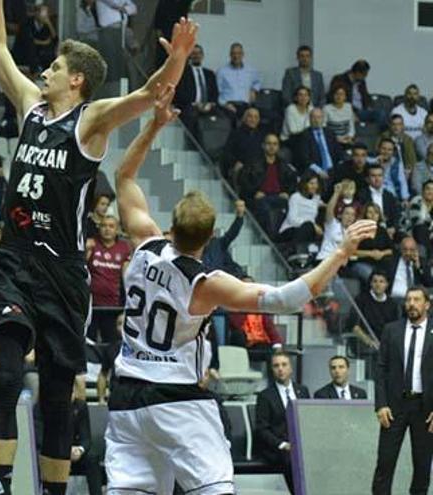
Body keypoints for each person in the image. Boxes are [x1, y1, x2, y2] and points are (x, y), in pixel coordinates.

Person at [105, 82, 375, 495]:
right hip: (177, 399)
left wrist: (155, 125)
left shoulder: (143, 244)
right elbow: (288, 298)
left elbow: (124, 176)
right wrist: (339, 253)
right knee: (215, 489)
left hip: (125, 398)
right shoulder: (206, 284)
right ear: (212, 237)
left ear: (171, 225)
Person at [0, 2, 198, 490]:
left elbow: (148, 92)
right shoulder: (30, 106)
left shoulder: (91, 121)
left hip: (62, 271)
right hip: (13, 261)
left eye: (55, 67)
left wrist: (178, 57)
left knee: (59, 396)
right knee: (6, 376)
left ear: (76, 79)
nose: (45, 71)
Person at [373, 287, 433, 495]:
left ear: (427, 304)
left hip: (425, 408)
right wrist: (380, 404)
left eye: (417, 299)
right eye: (408, 300)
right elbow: (381, 368)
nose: (411, 304)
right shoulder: (392, 330)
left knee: (423, 466)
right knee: (385, 463)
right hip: (394, 406)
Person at [255, 351, 310, 492]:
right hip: (278, 448)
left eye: (284, 365)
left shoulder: (303, 391)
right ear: (272, 370)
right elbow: (262, 429)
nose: (280, 369)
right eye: (276, 366)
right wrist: (283, 445)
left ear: (291, 368)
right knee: (292, 460)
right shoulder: (265, 396)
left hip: (301, 445)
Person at [86, 215, 131, 346]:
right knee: (89, 344)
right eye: (104, 226)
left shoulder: (124, 248)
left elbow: (128, 277)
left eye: (111, 226)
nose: (107, 229)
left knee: (111, 344)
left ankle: (108, 367)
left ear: (117, 229)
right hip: (92, 306)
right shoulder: (92, 244)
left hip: (113, 306)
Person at [174, 44, 218, 140]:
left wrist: (210, 104)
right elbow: (180, 94)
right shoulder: (183, 73)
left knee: (223, 117)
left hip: (208, 106)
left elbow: (215, 93)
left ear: (202, 55)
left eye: (199, 53)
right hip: (190, 106)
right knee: (190, 115)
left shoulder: (210, 74)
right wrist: (196, 104)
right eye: (193, 53)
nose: (196, 55)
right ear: (189, 56)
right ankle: (193, 146)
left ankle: (214, 149)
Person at [348, 271, 400, 349]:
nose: (378, 285)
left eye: (381, 281)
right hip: (364, 343)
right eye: (375, 281)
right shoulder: (361, 299)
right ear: (371, 284)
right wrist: (369, 342)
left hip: (385, 344)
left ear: (387, 284)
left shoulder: (393, 304)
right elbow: (355, 327)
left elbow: (395, 329)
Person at [216, 42, 261, 121]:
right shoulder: (221, 71)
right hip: (229, 105)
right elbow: (217, 92)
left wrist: (254, 90)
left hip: (246, 105)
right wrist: (225, 104)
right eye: (233, 53)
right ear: (230, 55)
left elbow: (257, 81)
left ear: (243, 54)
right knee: (231, 118)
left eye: (239, 53)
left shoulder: (251, 70)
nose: (236, 56)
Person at [387, 236, 433, 302]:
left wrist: (419, 267)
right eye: (405, 249)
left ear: (416, 250)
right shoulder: (391, 261)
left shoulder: (422, 262)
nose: (408, 253)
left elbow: (429, 283)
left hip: (415, 300)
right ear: (400, 249)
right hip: (394, 299)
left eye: (411, 250)